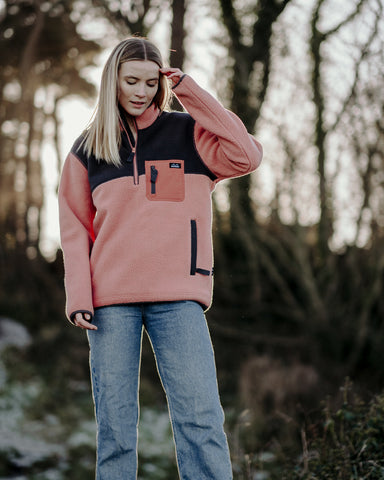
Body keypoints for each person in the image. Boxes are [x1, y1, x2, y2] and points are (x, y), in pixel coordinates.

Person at [58, 37, 262, 480]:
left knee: (201, 420)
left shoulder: (189, 132)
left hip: (179, 297)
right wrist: (79, 295)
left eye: (151, 83)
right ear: (112, 80)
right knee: (115, 430)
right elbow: (74, 228)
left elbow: (246, 155)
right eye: (130, 80)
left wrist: (190, 90)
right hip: (110, 302)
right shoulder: (87, 148)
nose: (140, 91)